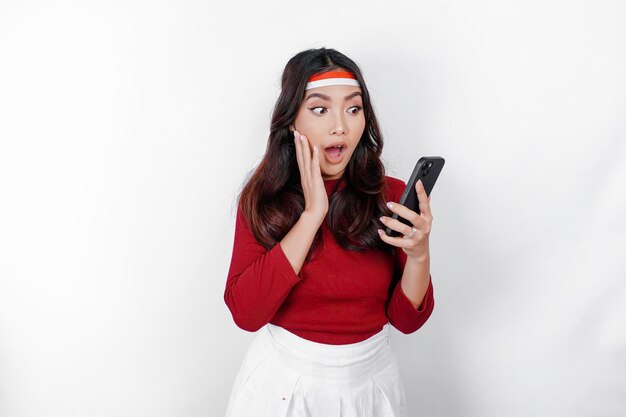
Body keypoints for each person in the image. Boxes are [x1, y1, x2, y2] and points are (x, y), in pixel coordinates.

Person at [223, 47, 435, 417]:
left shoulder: (391, 196)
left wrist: (419, 254)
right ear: (293, 121)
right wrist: (312, 214)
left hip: (372, 386)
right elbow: (246, 314)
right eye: (320, 109)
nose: (340, 125)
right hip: (282, 389)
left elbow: (406, 321)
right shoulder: (263, 198)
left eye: (353, 109)